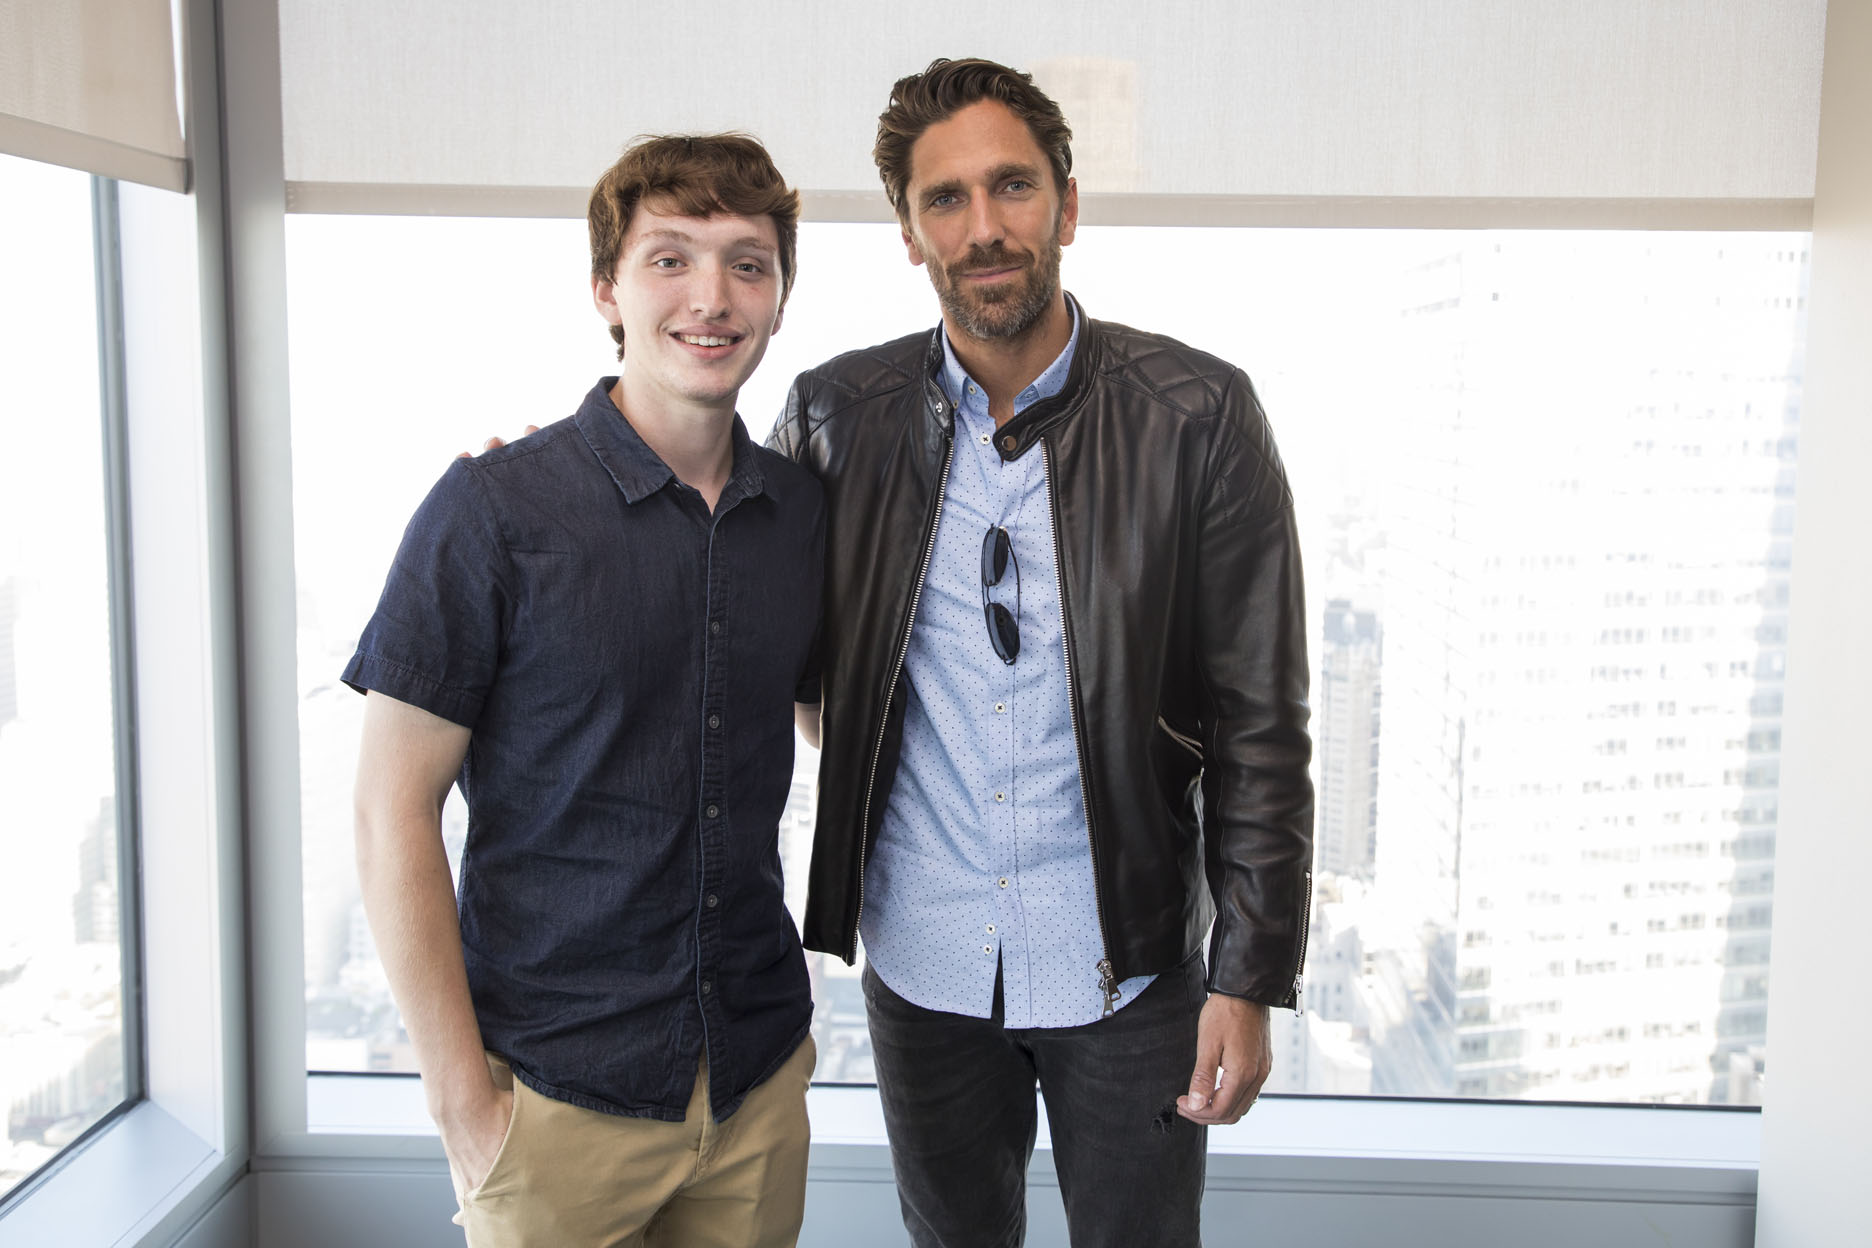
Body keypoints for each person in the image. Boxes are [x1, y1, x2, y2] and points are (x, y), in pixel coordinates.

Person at [768, 58, 1315, 1246]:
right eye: (945, 200)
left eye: (1011, 187)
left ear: (1067, 205)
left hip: (1130, 966)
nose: (984, 228)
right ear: (910, 234)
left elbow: (1263, 720)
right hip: (922, 961)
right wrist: (554, 484)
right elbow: (736, 601)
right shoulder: (831, 417)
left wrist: (1250, 975)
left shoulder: (1201, 415)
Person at [347, 133, 824, 1248]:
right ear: (605, 287)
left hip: (755, 1083)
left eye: (748, 264)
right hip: (553, 1103)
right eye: (671, 259)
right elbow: (390, 807)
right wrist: (463, 1105)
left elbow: (819, 715)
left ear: (780, 295)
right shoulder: (494, 512)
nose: (712, 296)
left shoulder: (804, 516)